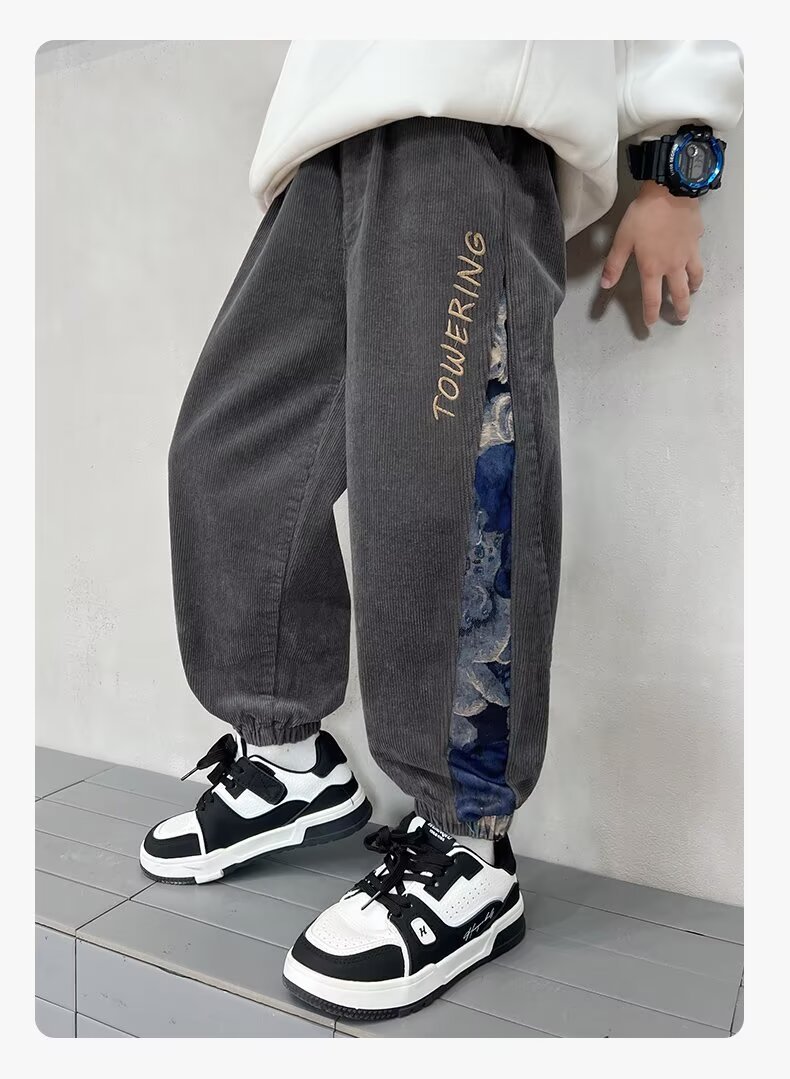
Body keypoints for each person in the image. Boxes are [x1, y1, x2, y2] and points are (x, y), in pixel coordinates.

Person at [138, 40, 743, 1021]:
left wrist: (679, 153)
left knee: (442, 477)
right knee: (231, 450)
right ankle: (288, 756)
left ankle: (470, 848)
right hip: (329, 134)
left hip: (471, 109)